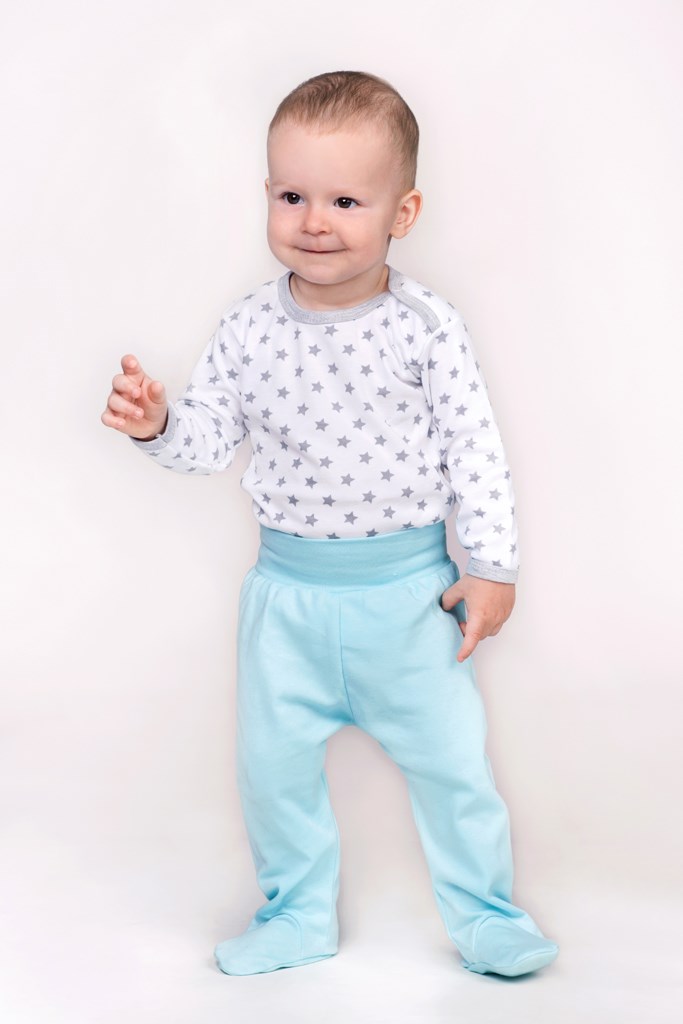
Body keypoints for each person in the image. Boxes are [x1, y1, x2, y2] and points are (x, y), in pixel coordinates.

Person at [101, 70, 559, 979]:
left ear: (402, 212)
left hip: (410, 601)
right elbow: (209, 442)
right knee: (272, 774)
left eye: (345, 201)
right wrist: (158, 424)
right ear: (267, 195)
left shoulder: (424, 327)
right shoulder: (246, 328)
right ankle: (296, 912)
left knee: (454, 769)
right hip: (286, 604)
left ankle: (486, 915)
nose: (314, 221)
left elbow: (474, 450)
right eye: (291, 196)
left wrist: (492, 567)